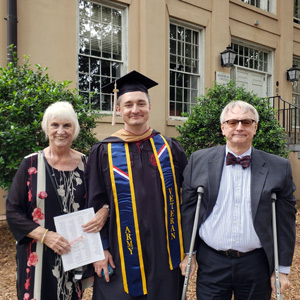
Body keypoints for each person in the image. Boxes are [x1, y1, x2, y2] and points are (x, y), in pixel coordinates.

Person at [84, 70, 188, 300]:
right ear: (118, 110)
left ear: (150, 107)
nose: (135, 109)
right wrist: (99, 248)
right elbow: (93, 203)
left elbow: (189, 200)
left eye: (141, 103)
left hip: (166, 249)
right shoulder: (104, 151)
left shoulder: (170, 148)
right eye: (128, 104)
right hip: (120, 250)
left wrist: (189, 249)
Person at [180, 100, 297, 300]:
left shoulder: (279, 167)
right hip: (212, 261)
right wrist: (188, 254)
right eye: (233, 122)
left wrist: (282, 269)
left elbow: (285, 221)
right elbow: (189, 210)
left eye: (246, 122)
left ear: (255, 127)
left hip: (256, 263)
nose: (239, 127)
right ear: (223, 127)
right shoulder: (198, 161)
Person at [6, 101, 109, 300]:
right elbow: (12, 211)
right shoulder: (30, 164)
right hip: (37, 255)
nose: (60, 131)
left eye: (67, 125)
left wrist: (104, 211)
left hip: (75, 255)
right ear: (46, 128)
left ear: (75, 129)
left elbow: (103, 199)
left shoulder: (87, 165)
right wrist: (46, 235)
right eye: (55, 125)